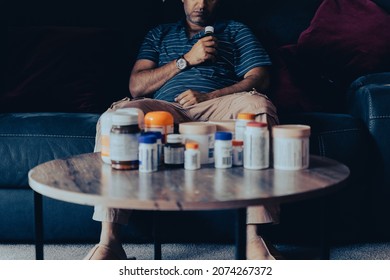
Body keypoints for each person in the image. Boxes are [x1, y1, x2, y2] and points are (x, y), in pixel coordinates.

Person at [84, 0, 280, 260]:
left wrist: (211, 95)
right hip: (165, 107)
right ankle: (109, 242)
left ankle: (255, 239)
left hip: (218, 105)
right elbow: (136, 86)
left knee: (258, 106)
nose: (201, 4)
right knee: (117, 118)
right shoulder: (160, 33)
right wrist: (186, 60)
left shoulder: (235, 30)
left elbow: (259, 77)